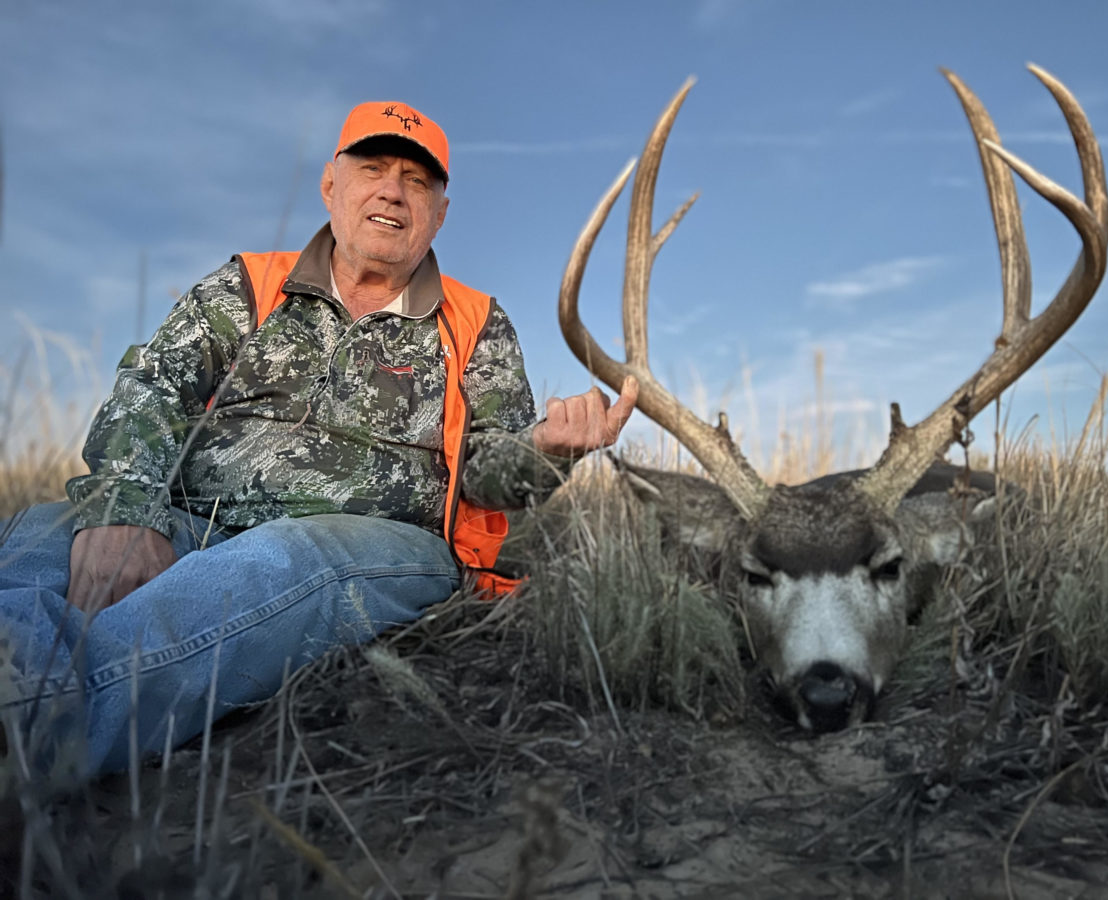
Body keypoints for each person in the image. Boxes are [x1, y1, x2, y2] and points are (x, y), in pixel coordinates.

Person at [0, 100, 638, 776]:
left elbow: (492, 466)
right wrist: (125, 510)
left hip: (373, 543)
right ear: (332, 186)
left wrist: (546, 453)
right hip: (196, 518)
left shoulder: (477, 323)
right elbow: (153, 386)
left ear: (440, 213)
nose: (392, 189)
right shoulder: (249, 284)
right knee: (40, 542)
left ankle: (36, 733)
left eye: (417, 181)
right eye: (373, 168)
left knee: (284, 557)